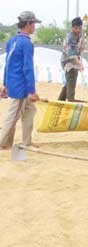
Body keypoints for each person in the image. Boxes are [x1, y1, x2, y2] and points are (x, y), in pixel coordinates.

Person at [0, 11, 41, 150]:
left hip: (13, 82)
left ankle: (27, 142)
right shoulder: (26, 43)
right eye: (34, 24)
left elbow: (8, 63)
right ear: (28, 24)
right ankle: (3, 143)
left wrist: (5, 84)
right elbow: (27, 68)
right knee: (13, 115)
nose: (35, 27)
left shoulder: (12, 40)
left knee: (30, 110)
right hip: (20, 87)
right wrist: (31, 91)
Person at [58, 17, 85, 102]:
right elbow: (72, 55)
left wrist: (81, 49)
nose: (78, 30)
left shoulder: (80, 35)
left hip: (75, 59)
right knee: (71, 80)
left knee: (70, 81)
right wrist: (80, 65)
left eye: (79, 28)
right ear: (72, 27)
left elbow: (80, 48)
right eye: (76, 28)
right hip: (68, 61)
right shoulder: (70, 37)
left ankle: (60, 100)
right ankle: (71, 100)